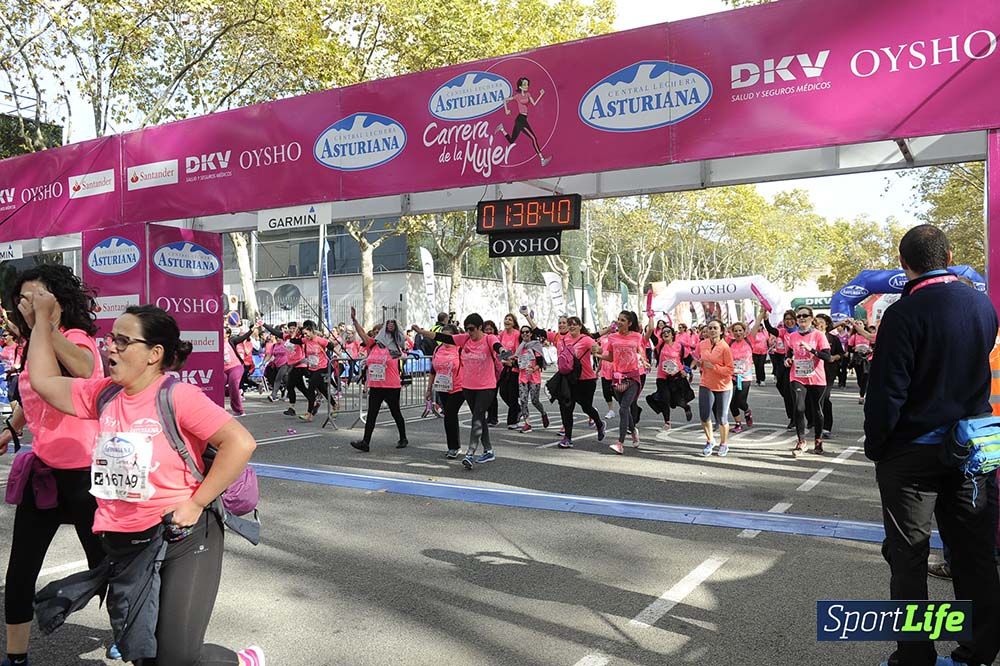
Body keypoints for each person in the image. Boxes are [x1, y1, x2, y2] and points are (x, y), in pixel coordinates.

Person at [22, 300, 262, 665]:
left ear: (154, 354)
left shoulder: (177, 396)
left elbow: (240, 442)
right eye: (110, 338)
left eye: (122, 340)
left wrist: (196, 503)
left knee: (175, 658)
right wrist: (41, 321)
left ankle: (241, 661)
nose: (110, 346)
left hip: (183, 535)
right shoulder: (103, 394)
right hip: (125, 544)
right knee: (144, 655)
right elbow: (42, 382)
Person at [865, 224, 1000, 666]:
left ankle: (915, 654)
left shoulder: (903, 314)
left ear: (904, 264)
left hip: (913, 454)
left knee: (909, 557)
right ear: (950, 254)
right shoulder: (981, 304)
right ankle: (980, 648)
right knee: (974, 554)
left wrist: (877, 446)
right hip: (972, 450)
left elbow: (887, 393)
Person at [1, 266, 106, 666]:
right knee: (22, 567)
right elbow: (37, 394)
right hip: (44, 471)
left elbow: (83, 371)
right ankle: (15, 656)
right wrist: (11, 428)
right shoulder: (34, 344)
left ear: (59, 301)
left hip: (87, 476)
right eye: (23, 299)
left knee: (105, 566)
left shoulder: (77, 339)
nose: (27, 306)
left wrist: (45, 324)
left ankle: (128, 633)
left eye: (37, 297)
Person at [414, 314, 506, 469]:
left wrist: (504, 352)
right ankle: (489, 450)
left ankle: (470, 454)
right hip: (468, 386)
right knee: (480, 420)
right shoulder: (465, 339)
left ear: (480, 327)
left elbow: (498, 347)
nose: (469, 332)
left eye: (472, 329)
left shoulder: (489, 339)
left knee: (476, 417)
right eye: (467, 329)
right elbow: (441, 336)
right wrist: (421, 332)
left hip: (486, 386)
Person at [349, 308, 408, 452]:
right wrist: (354, 320)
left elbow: (401, 340)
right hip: (376, 385)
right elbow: (362, 334)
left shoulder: (394, 346)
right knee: (371, 414)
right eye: (375, 332)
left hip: (391, 386)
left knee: (396, 412)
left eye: (379, 332)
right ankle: (365, 442)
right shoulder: (373, 345)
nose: (376, 335)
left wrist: (393, 328)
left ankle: (403, 437)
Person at [593, 311, 645, 455]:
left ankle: (620, 443)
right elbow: (610, 357)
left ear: (629, 323)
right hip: (617, 377)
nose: (620, 322)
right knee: (625, 409)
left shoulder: (637, 337)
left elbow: (641, 353)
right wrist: (597, 353)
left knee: (623, 409)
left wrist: (644, 361)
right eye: (619, 319)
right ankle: (633, 430)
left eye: (623, 320)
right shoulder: (612, 337)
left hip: (633, 376)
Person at [785, 307, 832, 456]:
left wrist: (811, 349)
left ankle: (818, 440)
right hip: (797, 376)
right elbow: (789, 353)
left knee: (817, 410)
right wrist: (787, 360)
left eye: (805, 316)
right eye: (798, 316)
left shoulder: (819, 335)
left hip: (816, 378)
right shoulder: (793, 336)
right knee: (799, 408)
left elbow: (827, 357)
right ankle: (801, 441)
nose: (801, 318)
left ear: (811, 318)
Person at [693, 319, 734, 457]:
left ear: (721, 330)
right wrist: (699, 364)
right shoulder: (702, 344)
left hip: (723, 386)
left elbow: (730, 370)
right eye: (709, 328)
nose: (712, 330)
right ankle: (710, 440)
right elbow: (699, 359)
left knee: (722, 418)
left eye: (715, 328)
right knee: (704, 415)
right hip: (706, 383)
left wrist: (714, 367)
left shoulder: (725, 347)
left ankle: (723, 443)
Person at [425, 324, 465, 458]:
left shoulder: (460, 349)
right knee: (449, 416)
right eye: (443, 336)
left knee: (451, 414)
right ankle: (453, 446)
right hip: (442, 387)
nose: (445, 339)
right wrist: (429, 389)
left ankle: (455, 447)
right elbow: (432, 370)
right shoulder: (438, 348)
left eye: (448, 336)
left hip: (459, 387)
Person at [645, 325, 694, 429]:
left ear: (672, 334)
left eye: (668, 332)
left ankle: (686, 407)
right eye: (663, 332)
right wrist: (651, 316)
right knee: (665, 398)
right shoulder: (660, 345)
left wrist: (686, 370)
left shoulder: (679, 346)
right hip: (662, 377)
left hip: (677, 377)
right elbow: (651, 332)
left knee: (678, 400)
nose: (665, 333)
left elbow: (690, 360)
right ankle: (667, 422)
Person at [495, 77, 550, 166]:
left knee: (512, 140)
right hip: (521, 120)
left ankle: (502, 129)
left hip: (523, 119)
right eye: (524, 84)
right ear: (520, 87)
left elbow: (534, 103)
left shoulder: (528, 94)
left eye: (527, 84)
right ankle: (542, 159)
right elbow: (505, 100)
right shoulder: (517, 96)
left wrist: (541, 94)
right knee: (533, 138)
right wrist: (506, 110)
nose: (526, 86)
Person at [813, 314, 844, 439]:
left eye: (821, 322)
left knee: (825, 397)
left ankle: (827, 427)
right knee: (813, 399)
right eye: (816, 322)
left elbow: (841, 353)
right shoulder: (811, 338)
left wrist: (833, 357)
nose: (819, 324)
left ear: (826, 325)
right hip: (813, 371)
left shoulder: (833, 338)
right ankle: (814, 422)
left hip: (828, 372)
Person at [514, 326, 549, 432]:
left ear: (531, 333)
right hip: (523, 377)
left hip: (534, 377)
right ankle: (527, 423)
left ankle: (543, 413)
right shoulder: (520, 348)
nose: (525, 334)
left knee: (534, 400)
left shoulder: (535, 345)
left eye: (527, 332)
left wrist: (533, 369)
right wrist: (509, 361)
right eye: (522, 332)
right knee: (523, 400)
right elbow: (516, 363)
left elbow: (540, 363)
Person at [728, 321, 755, 434]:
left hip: (745, 377)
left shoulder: (749, 340)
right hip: (732, 377)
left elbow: (757, 324)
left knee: (740, 401)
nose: (738, 333)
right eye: (735, 331)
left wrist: (762, 313)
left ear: (744, 332)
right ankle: (738, 423)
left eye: (740, 330)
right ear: (732, 333)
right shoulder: (730, 342)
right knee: (731, 402)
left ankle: (747, 411)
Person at [498, 313, 522, 429]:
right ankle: (517, 409)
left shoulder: (517, 334)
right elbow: (499, 349)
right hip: (505, 366)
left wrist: (511, 361)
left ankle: (512, 421)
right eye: (505, 319)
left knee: (512, 395)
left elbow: (518, 351)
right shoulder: (502, 334)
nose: (507, 321)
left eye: (510, 320)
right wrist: (503, 359)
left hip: (515, 367)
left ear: (514, 323)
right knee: (503, 392)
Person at [848, 320, 876, 405]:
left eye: (860, 324)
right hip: (858, 359)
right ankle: (863, 390)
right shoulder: (854, 336)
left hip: (868, 359)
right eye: (857, 324)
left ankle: (862, 395)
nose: (859, 325)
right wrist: (855, 349)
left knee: (866, 376)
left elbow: (874, 346)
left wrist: (870, 349)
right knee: (860, 379)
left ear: (864, 325)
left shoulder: (869, 335)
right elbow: (849, 349)